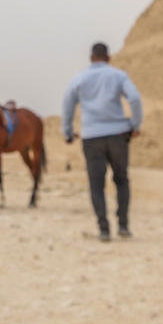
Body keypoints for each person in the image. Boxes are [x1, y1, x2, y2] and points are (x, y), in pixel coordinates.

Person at [62, 42, 143, 242]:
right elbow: (134, 98)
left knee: (96, 185)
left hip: (91, 136)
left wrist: (68, 132)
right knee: (122, 180)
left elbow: (67, 105)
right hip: (118, 134)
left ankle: (104, 228)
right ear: (108, 58)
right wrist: (135, 124)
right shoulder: (118, 75)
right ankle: (123, 224)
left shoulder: (79, 78)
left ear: (91, 58)